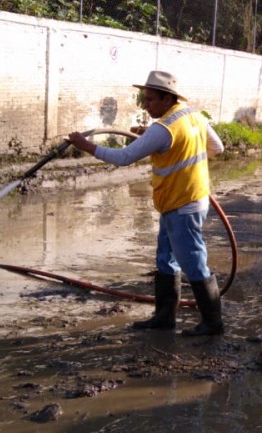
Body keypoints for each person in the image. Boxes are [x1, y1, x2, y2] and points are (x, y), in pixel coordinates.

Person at [67, 70, 226, 336]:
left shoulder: (163, 129)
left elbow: (124, 158)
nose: (145, 104)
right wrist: (164, 145)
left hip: (182, 204)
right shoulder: (193, 116)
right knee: (166, 258)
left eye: (150, 100)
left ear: (167, 98)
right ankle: (164, 317)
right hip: (183, 199)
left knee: (194, 262)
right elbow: (216, 148)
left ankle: (213, 324)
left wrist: (88, 146)